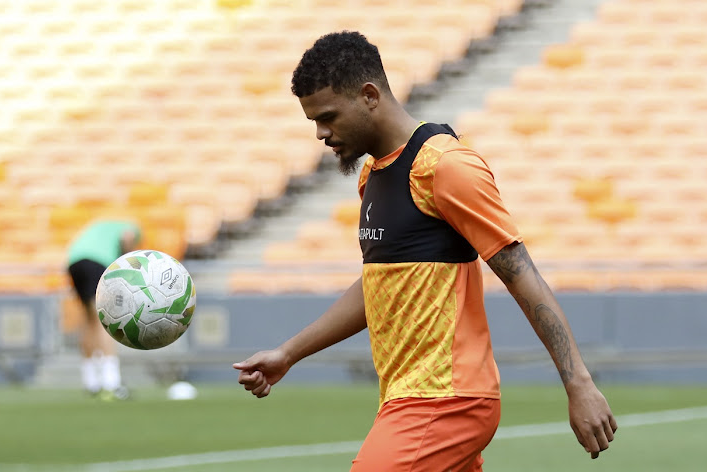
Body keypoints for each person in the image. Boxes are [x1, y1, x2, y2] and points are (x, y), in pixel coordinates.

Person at [233, 31, 617, 471]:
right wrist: (289, 352)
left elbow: (521, 274)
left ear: (370, 95)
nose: (321, 134)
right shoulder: (372, 177)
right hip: (408, 397)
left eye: (328, 117)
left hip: (445, 400)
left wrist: (579, 384)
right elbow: (378, 287)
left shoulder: (446, 166)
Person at [67, 219, 141, 400]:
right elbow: (128, 237)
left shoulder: (100, 227)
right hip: (96, 263)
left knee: (88, 319)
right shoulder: (133, 228)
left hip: (74, 262)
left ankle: (90, 381)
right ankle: (111, 382)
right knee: (104, 319)